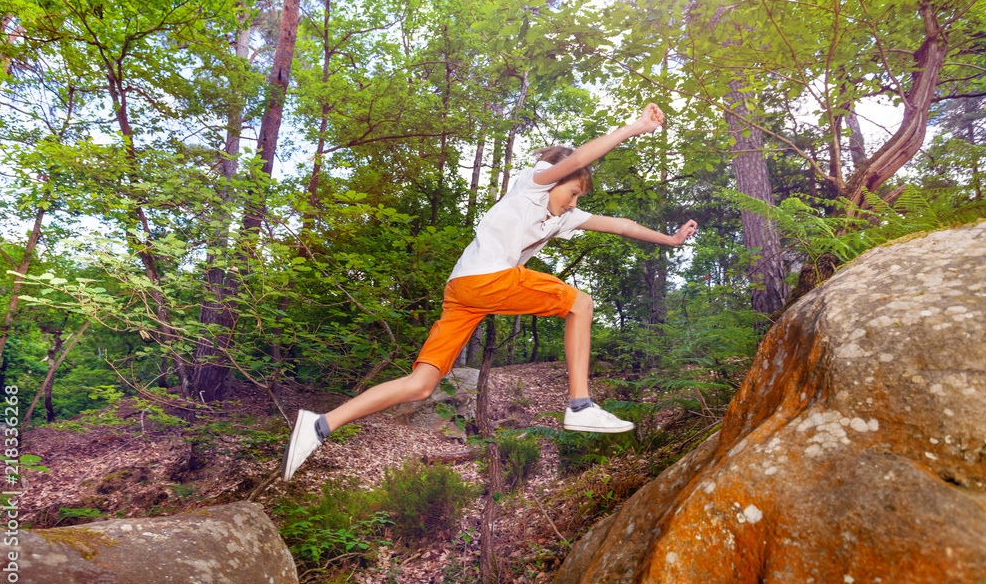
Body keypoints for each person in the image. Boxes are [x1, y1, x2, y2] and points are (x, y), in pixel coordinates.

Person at [282, 103, 698, 481]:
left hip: (463, 291)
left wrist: (670, 240)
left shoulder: (561, 218)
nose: (573, 204)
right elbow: (579, 158)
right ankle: (579, 405)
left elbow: (621, 224)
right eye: (572, 193)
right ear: (556, 179)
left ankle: (320, 425)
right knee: (581, 303)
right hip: (487, 280)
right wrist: (634, 128)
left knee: (421, 384)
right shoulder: (532, 185)